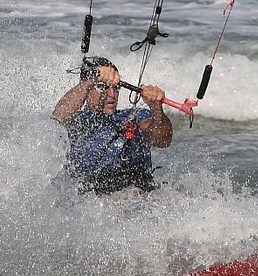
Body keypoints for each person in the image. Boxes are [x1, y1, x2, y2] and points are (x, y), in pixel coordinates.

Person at [52, 56, 173, 194]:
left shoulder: (135, 116)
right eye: (102, 87)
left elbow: (163, 140)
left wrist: (157, 110)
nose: (111, 94)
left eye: (116, 88)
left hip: (138, 191)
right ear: (87, 88)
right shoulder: (77, 120)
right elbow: (57, 119)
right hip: (93, 198)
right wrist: (91, 79)